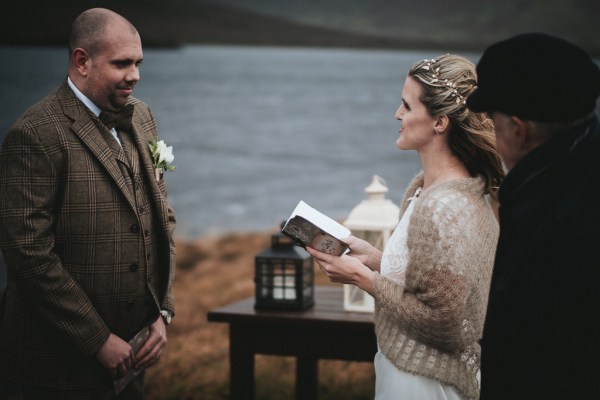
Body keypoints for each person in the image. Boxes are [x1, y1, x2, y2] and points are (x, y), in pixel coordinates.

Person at [0, 8, 176, 400]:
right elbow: (27, 254)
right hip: (53, 370)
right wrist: (97, 340)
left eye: (138, 63)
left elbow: (162, 217)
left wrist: (161, 313)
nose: (135, 75)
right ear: (82, 61)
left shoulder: (142, 117)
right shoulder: (35, 134)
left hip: (133, 360)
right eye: (122, 64)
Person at [307, 54, 504, 400]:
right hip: (405, 368)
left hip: (423, 382)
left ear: (440, 122)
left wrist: (361, 279)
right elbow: (433, 282)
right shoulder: (427, 191)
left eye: (406, 106)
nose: (397, 115)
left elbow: (444, 321)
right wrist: (376, 260)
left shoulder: (445, 206)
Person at [466, 33, 600, 400]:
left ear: (517, 128)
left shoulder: (562, 226)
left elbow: (535, 350)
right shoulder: (572, 179)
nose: (489, 135)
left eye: (491, 120)